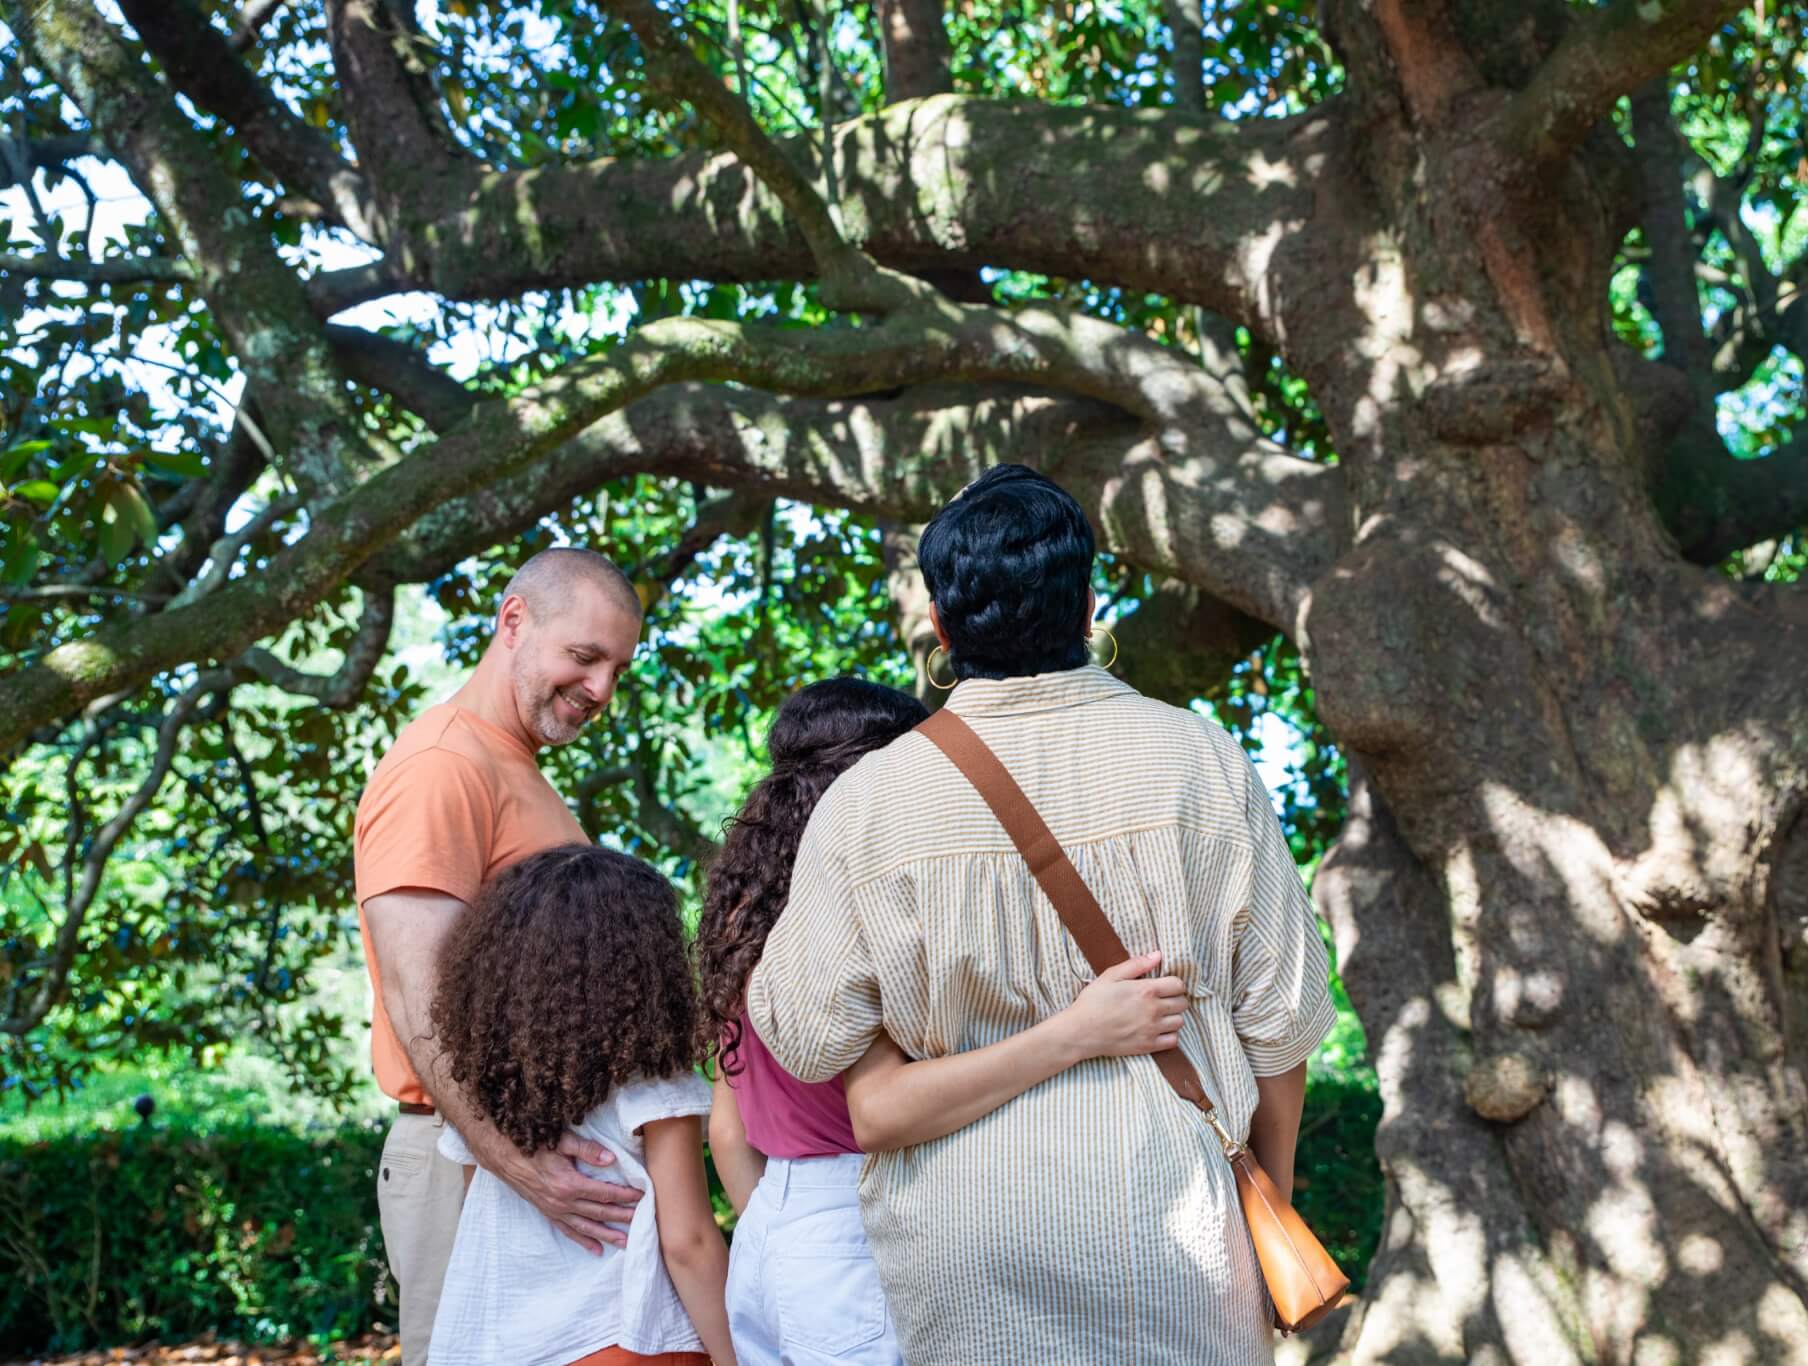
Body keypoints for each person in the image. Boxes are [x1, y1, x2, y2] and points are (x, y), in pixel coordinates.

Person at [747, 466, 1336, 1366]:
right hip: (1177, 1231)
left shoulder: (870, 803)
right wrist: (1267, 1198)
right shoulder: (1199, 761)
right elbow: (1280, 1022)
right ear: (1089, 604)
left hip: (965, 1247)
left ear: (943, 627)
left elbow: (804, 1033)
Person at [699, 677, 1191, 1366]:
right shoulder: (858, 911)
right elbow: (885, 1110)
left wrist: (787, 1236)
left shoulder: (741, 916)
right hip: (861, 1227)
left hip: (772, 1238)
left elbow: (727, 1129)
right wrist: (1080, 1031)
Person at [353, 547, 646, 1363]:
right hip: (471, 1161)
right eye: (583, 658)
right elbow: (421, 1001)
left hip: (517, 1155)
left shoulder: (512, 767)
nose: (601, 691)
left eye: (617, 668)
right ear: (512, 622)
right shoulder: (444, 766)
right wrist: (517, 1161)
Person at [426, 845, 736, 1366]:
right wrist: (740, 1355)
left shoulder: (487, 1093)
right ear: (647, 964)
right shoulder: (654, 1084)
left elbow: (478, 1225)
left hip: (505, 1344)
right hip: (623, 1339)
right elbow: (688, 1242)